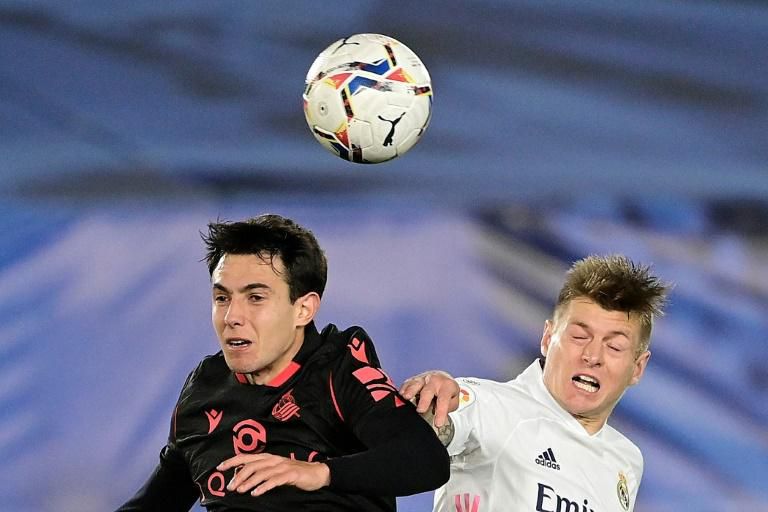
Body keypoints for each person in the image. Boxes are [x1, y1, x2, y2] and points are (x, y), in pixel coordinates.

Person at [117, 214, 449, 511]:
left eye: (255, 298)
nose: (232, 316)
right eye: (222, 298)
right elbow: (157, 501)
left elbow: (426, 460)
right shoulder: (204, 391)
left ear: (303, 309)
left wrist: (319, 473)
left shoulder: (336, 369)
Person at [400, 254, 670, 512]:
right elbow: (443, 423)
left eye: (614, 346)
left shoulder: (627, 460)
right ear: (547, 338)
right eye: (579, 336)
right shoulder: (491, 407)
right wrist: (429, 407)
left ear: (637, 367)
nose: (592, 356)